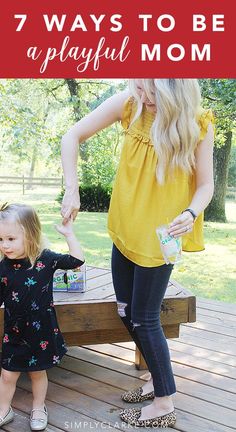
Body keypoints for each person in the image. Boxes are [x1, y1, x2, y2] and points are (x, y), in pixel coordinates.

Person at [60, 79, 214, 428]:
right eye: (139, 88)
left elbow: (206, 185)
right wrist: (71, 189)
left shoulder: (199, 123)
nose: (143, 98)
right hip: (125, 228)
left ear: (177, 93)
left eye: (152, 93)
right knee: (125, 310)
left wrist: (191, 213)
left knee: (145, 317)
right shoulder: (129, 104)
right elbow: (70, 137)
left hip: (161, 239)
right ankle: (157, 379)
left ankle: (164, 403)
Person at [0, 203, 84, 430]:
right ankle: (3, 410)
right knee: (7, 375)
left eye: (10, 239)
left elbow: (77, 260)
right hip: (14, 335)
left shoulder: (45, 259)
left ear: (30, 235)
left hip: (41, 333)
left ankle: (38, 408)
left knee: (37, 374)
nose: (4, 246)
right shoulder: (3, 268)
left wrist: (69, 234)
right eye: (1, 240)